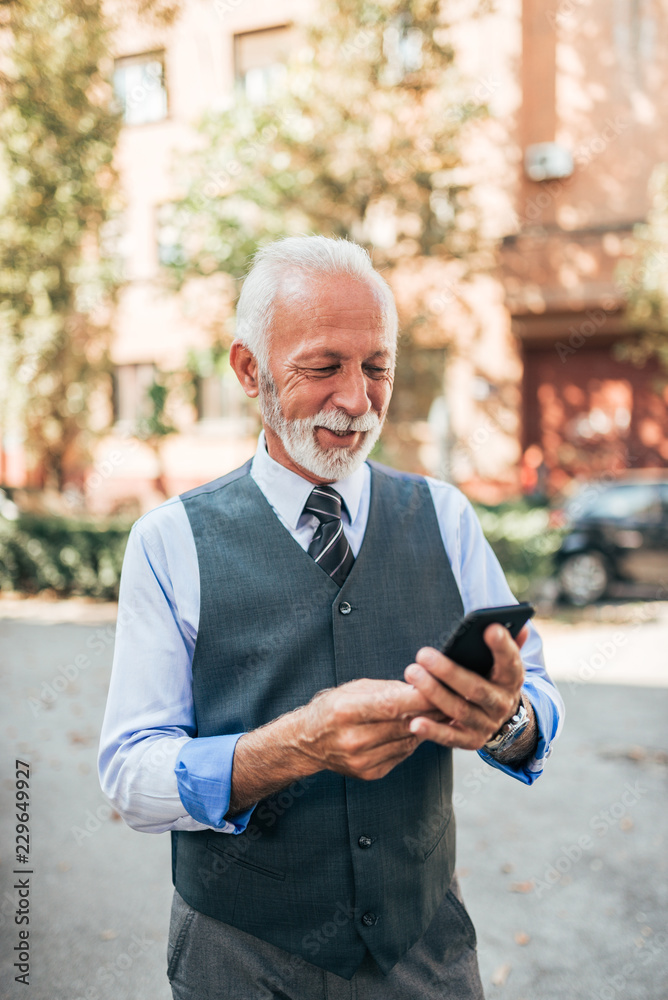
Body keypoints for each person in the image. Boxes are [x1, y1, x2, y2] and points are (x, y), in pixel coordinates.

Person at [98, 235, 564, 1000]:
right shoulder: (169, 540)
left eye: (376, 367)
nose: (357, 399)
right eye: (324, 367)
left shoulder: (445, 517)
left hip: (426, 955)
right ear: (249, 370)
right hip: (239, 959)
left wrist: (508, 722)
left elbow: (535, 694)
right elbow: (130, 775)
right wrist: (292, 747)